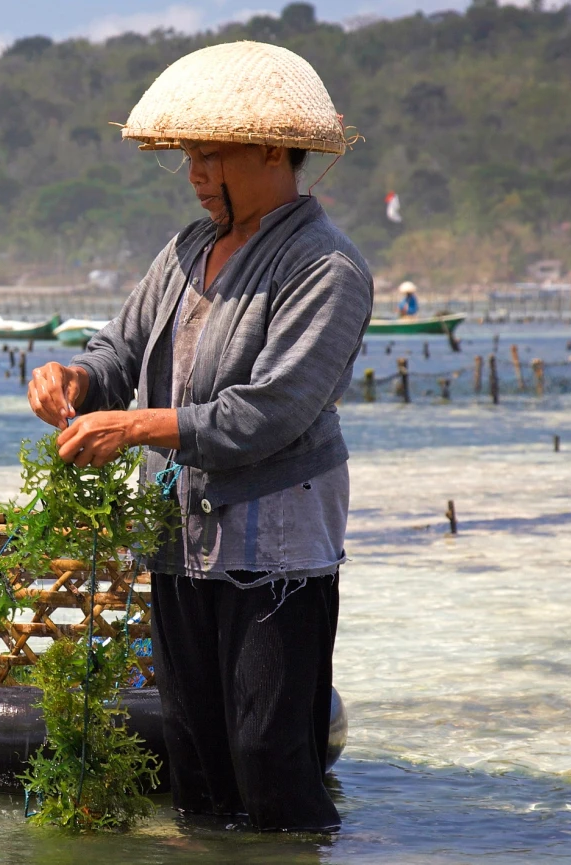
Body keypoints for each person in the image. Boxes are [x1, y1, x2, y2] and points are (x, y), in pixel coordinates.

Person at [26, 41, 372, 832]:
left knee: (270, 758)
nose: (192, 173)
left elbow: (272, 411)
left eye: (209, 155)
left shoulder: (326, 267)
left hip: (276, 553)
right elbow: (119, 350)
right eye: (187, 156)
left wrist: (139, 425)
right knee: (198, 762)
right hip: (180, 540)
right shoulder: (186, 251)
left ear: (270, 152)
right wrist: (76, 380)